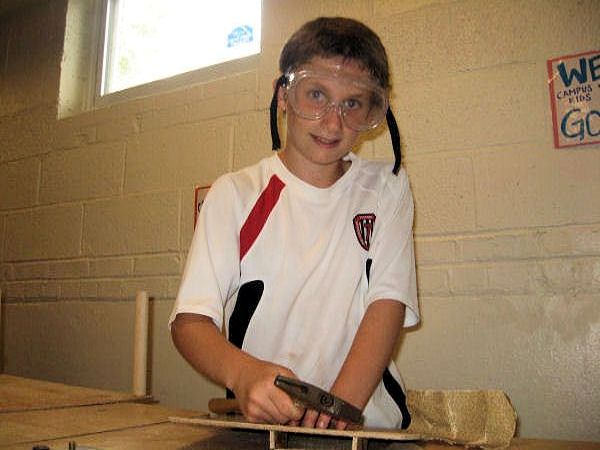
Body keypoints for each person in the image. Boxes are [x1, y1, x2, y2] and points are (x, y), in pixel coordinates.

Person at [169, 16, 419, 430]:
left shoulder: (386, 190)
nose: (333, 123)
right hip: (267, 429)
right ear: (283, 95)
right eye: (317, 95)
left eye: (352, 103)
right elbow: (190, 323)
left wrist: (336, 414)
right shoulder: (235, 195)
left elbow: (387, 304)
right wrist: (243, 374)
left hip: (365, 425)